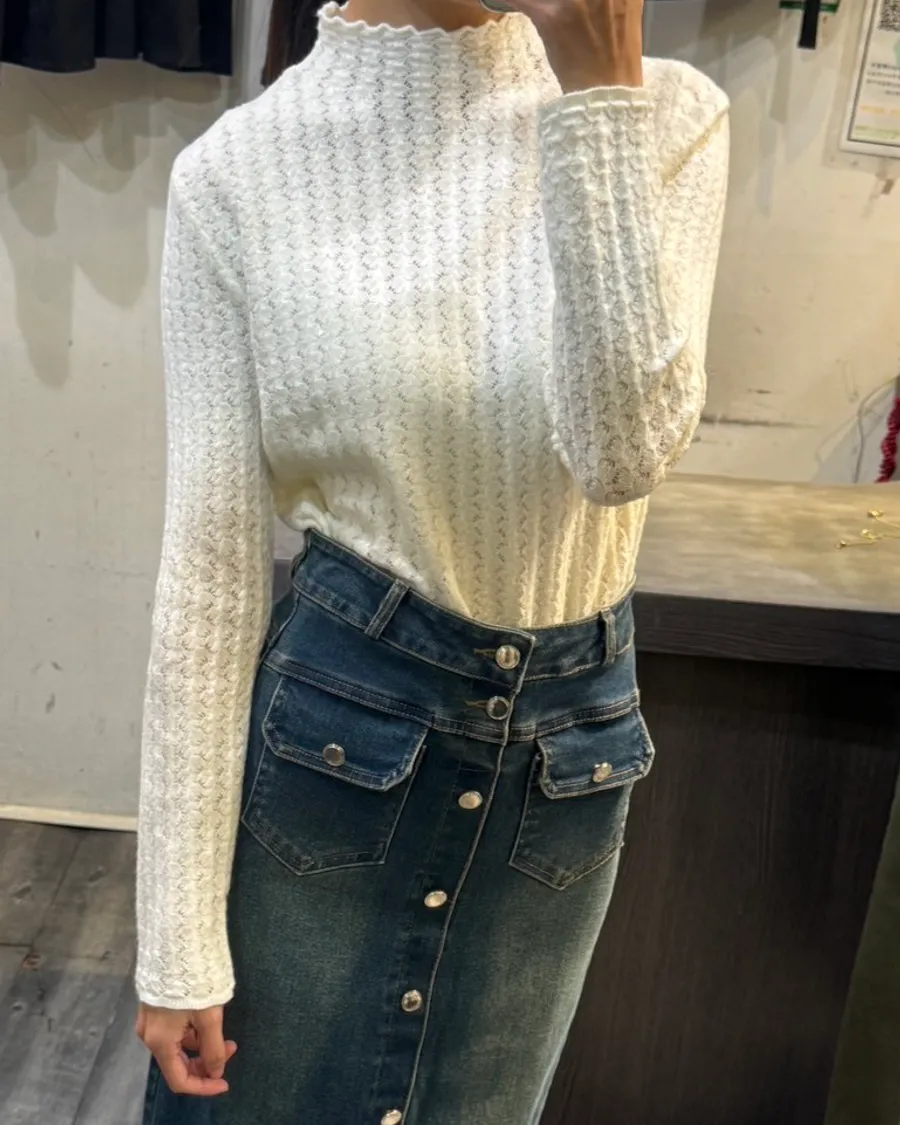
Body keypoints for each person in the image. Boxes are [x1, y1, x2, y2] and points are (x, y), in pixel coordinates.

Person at [135, 0, 730, 1120]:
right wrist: (176, 941)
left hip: (565, 767)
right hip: (332, 751)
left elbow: (624, 454)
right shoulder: (238, 174)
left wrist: (601, 96)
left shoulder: (666, 114)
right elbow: (209, 572)